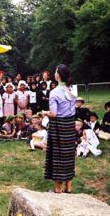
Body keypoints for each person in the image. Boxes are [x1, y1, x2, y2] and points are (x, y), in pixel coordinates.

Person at [43, 64, 76, 194]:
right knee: (68, 155)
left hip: (58, 125)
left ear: (58, 75)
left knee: (58, 156)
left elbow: (54, 114)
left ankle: (58, 189)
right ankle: (69, 187)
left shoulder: (54, 92)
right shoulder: (72, 90)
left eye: (55, 72)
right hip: (70, 124)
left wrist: (44, 112)